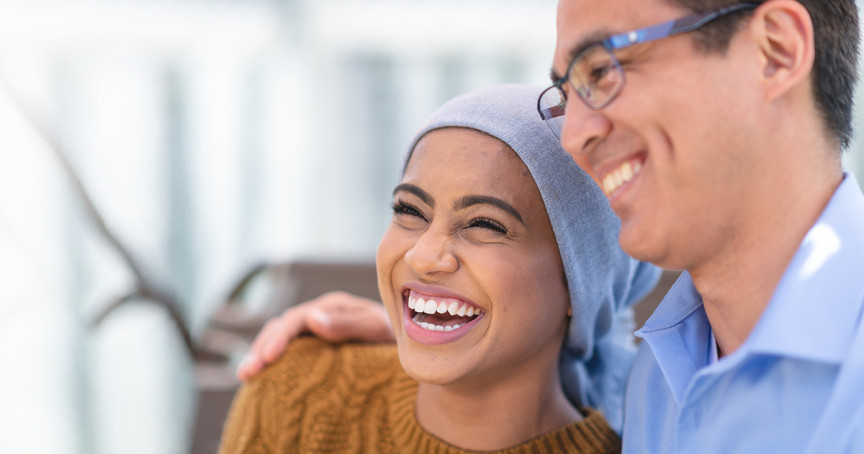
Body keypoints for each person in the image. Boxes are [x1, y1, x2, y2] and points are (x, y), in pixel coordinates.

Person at [241, 1, 864, 452]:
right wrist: (434, 336)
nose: (574, 136)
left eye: (604, 68)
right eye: (568, 90)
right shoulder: (662, 381)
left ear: (774, 51)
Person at [220, 85, 660, 453]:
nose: (424, 256)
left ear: (580, 283)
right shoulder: (299, 391)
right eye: (409, 210)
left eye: (486, 224)